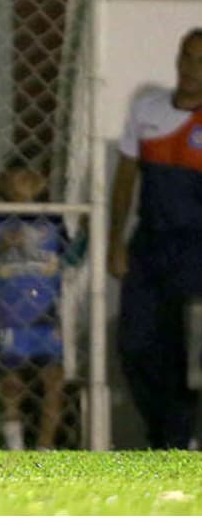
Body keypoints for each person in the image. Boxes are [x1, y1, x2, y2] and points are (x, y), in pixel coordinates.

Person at [109, 28, 202, 450]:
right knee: (136, 345)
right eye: (186, 57)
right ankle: (164, 434)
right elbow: (125, 178)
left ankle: (181, 439)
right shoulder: (147, 110)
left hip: (196, 248)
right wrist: (116, 242)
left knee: (188, 353)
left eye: (200, 61)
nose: (191, 69)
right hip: (149, 245)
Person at [0, 157, 83, 451]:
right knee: (12, 382)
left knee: (53, 380)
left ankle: (45, 446)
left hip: (45, 312)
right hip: (10, 314)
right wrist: (0, 247)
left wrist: (85, 234)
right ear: (4, 183)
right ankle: (15, 444)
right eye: (15, 177)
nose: (23, 183)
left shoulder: (53, 220)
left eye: (29, 176)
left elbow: (71, 259)